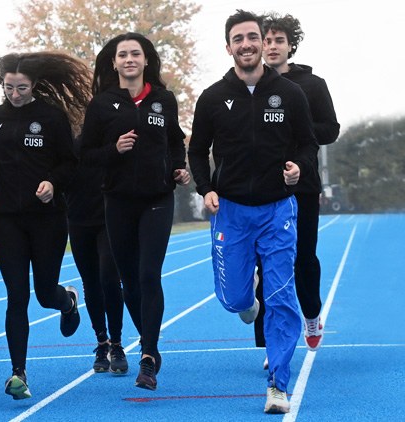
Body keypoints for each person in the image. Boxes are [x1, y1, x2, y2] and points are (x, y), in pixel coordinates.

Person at [187, 10, 319, 414]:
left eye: (252, 37)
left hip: (278, 209)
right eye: (238, 39)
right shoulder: (212, 97)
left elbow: (307, 144)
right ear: (228, 47)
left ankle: (278, 383)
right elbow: (195, 150)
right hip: (232, 213)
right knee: (236, 299)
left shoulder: (290, 93)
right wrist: (206, 188)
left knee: (282, 297)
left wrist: (299, 166)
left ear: (263, 43)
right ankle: (247, 303)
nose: (246, 44)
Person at [80, 32, 191, 391]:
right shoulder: (101, 105)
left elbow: (175, 140)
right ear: (114, 63)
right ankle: (150, 343)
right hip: (118, 201)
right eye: (122, 54)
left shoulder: (163, 100)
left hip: (157, 198)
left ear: (146, 61)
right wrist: (114, 149)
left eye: (135, 54)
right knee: (129, 281)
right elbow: (87, 156)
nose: (129, 59)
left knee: (148, 275)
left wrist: (179, 166)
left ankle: (148, 354)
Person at [0, 51, 89, 400]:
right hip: (8, 218)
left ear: (34, 85)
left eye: (22, 87)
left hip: (47, 218)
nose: (15, 93)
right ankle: (18, 372)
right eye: (9, 87)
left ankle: (66, 301)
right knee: (16, 297)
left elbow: (70, 164)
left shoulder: (51, 118)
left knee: (43, 294)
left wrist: (53, 183)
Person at [252, 12, 341, 367]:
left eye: (278, 41)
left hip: (301, 185)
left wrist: (296, 131)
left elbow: (330, 129)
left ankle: (311, 315)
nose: (271, 47)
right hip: (259, 188)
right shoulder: (249, 84)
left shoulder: (312, 84)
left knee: (303, 256)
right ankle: (272, 344)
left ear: (290, 45)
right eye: (267, 40)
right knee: (266, 263)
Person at [65, 134, 128, 375]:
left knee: (109, 279)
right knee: (90, 283)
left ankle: (117, 343)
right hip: (78, 219)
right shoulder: (70, 142)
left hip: (107, 218)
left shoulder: (114, 139)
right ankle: (102, 343)